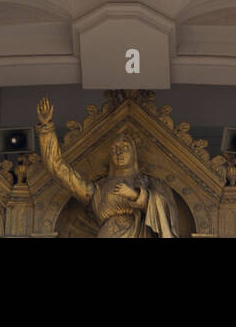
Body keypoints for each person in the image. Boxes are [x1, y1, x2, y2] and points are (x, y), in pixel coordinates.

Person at [35, 96, 178, 237]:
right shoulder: (97, 189)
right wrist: (46, 129)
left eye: (125, 147)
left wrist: (135, 195)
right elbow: (58, 169)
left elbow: (165, 212)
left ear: (134, 154)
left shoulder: (148, 182)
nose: (119, 152)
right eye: (115, 149)